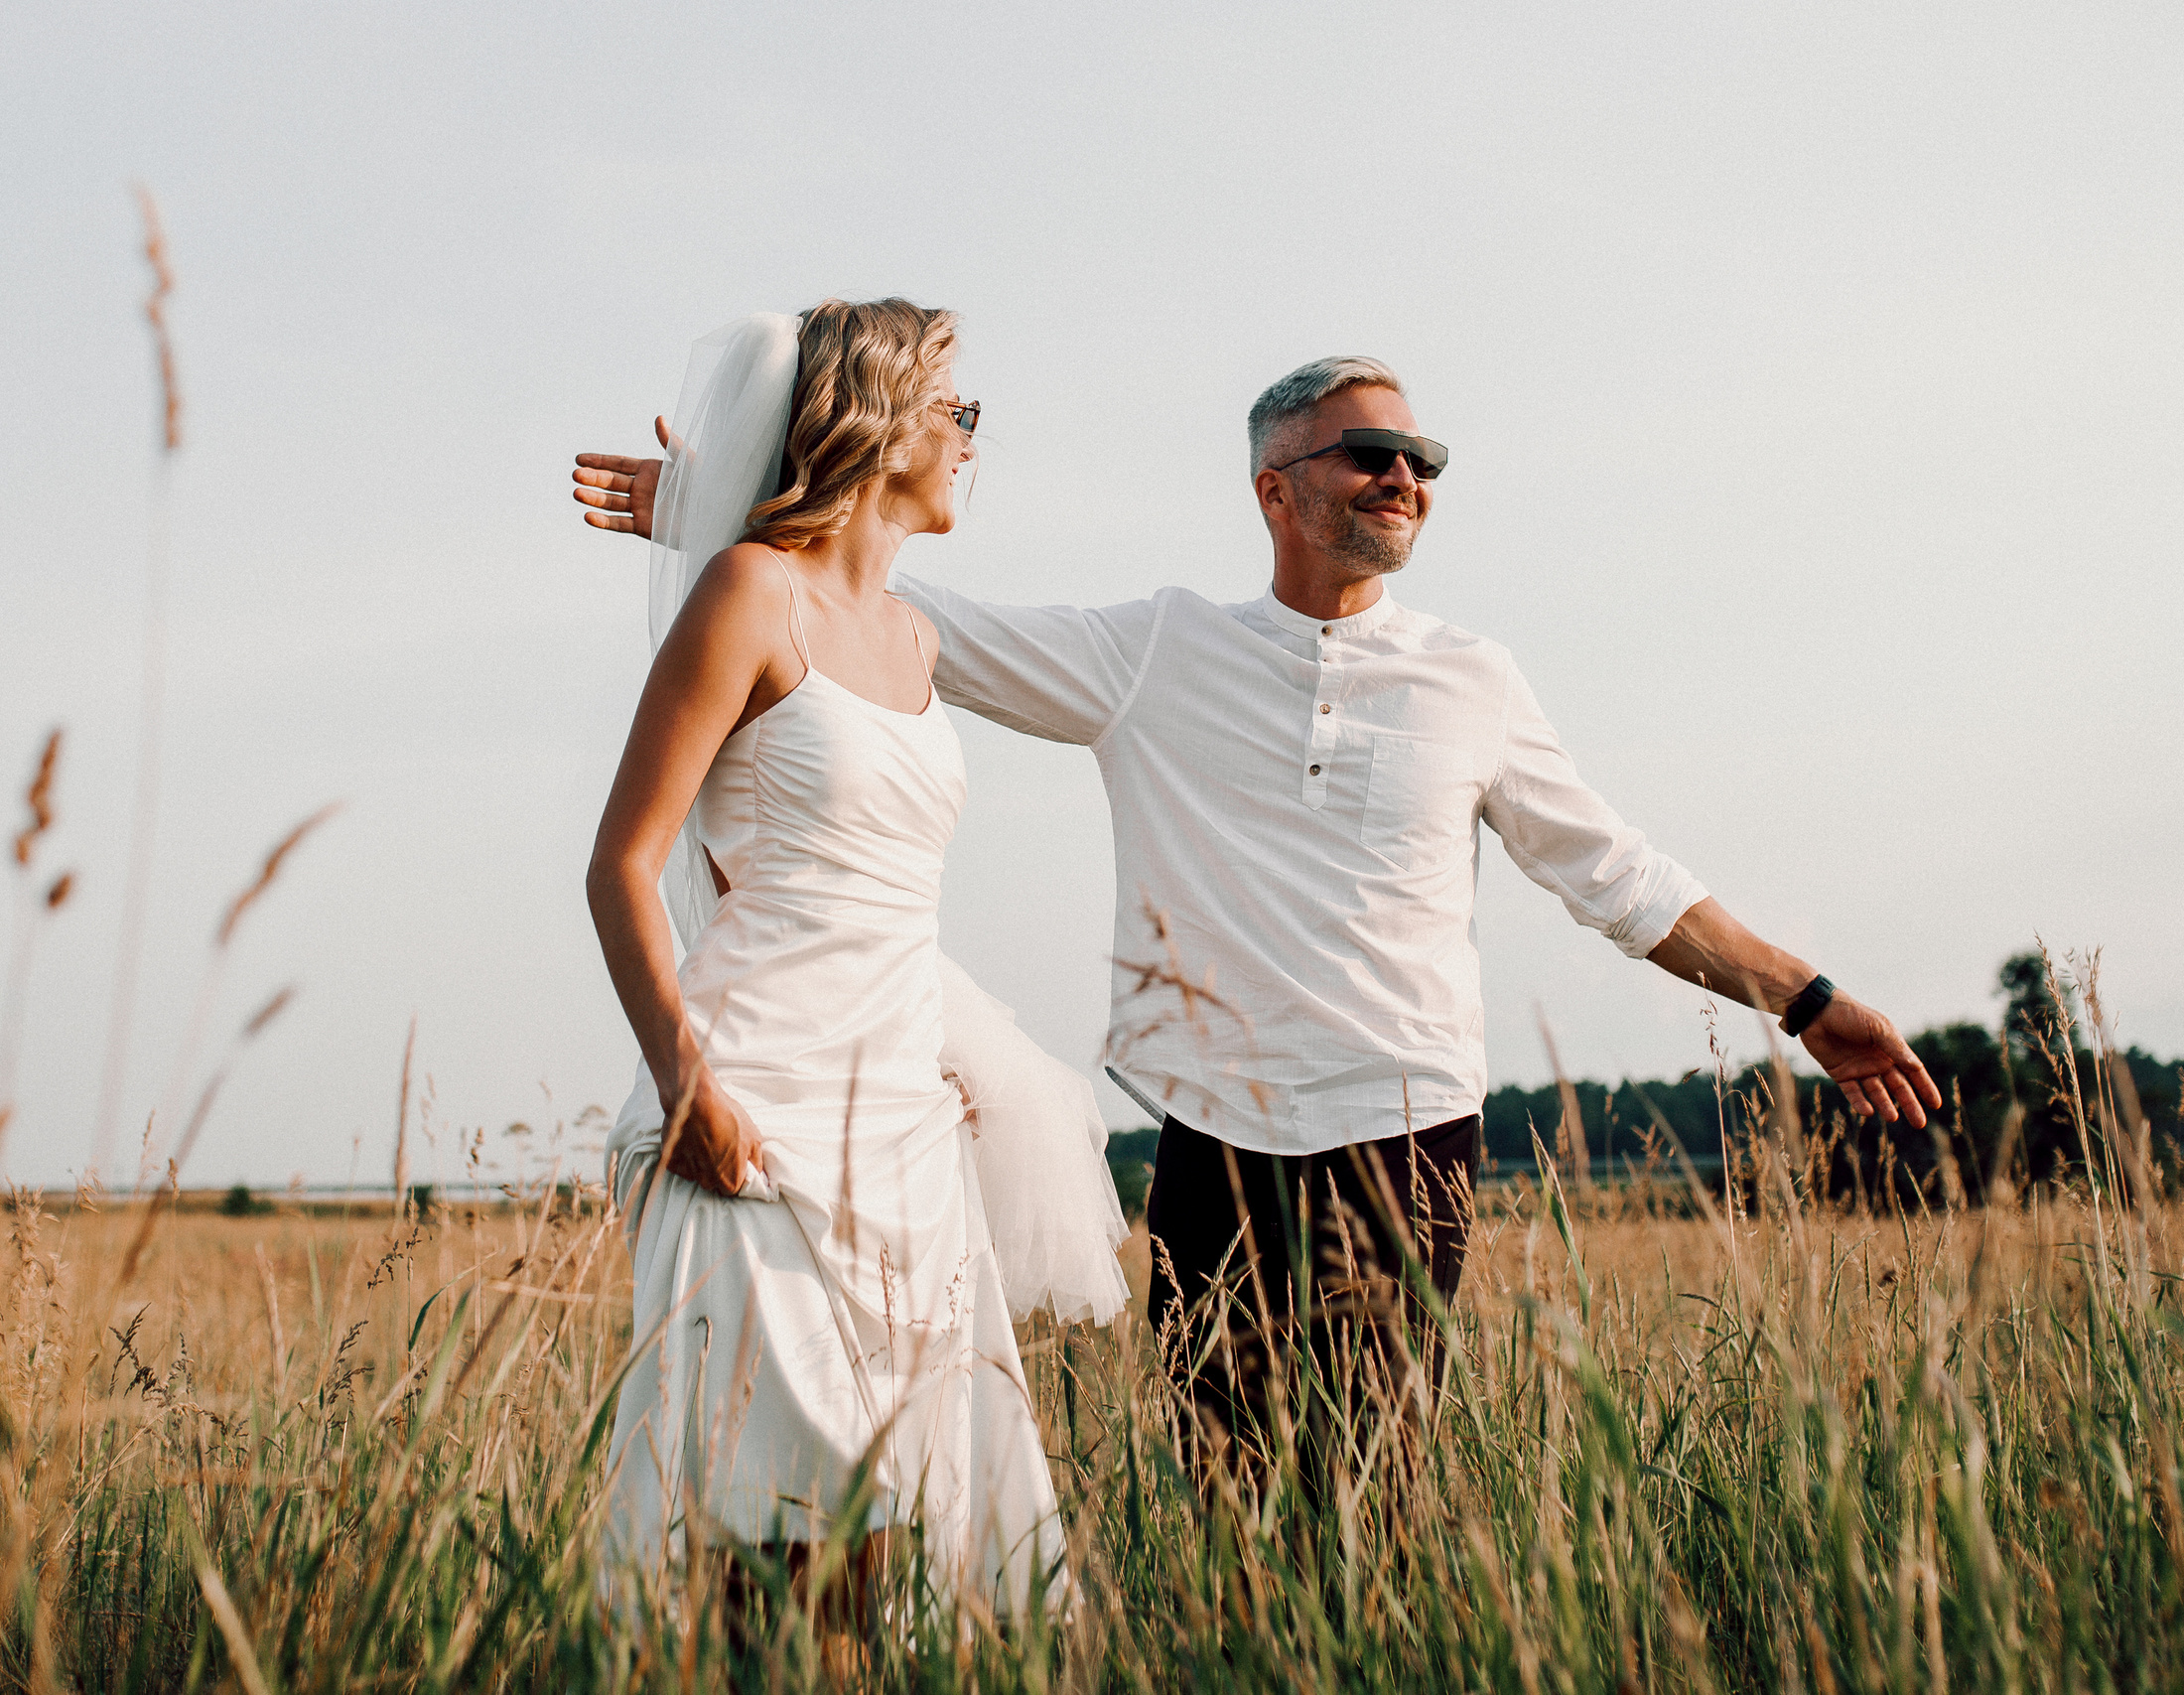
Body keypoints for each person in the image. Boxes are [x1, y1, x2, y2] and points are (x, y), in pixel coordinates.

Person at [574, 352, 1943, 1476]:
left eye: (1421, 460)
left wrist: (1808, 1002)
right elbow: (897, 615)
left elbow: (1621, 877)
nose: (1404, 477)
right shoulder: (1159, 651)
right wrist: (718, 511)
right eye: (1371, 454)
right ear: (1274, 489)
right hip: (1212, 1149)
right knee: (1226, 1494)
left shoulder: (1473, 679)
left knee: (1373, 1492)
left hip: (1402, 1140)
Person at [585, 301, 1123, 1617]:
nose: (974, 441)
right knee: (770, 1537)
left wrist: (940, 1054)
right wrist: (687, 1087)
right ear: (874, 423)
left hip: (903, 1136)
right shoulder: (747, 592)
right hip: (753, 1120)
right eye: (958, 411)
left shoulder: (912, 637)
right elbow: (625, 865)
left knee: (891, 1551)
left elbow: (877, 905)